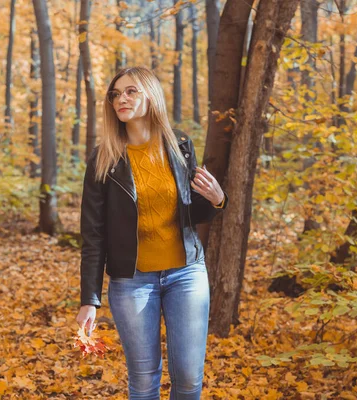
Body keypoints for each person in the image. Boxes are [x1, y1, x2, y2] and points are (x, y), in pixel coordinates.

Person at [76, 66, 228, 400]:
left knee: (188, 378)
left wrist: (218, 201)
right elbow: (93, 234)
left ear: (151, 96)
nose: (121, 99)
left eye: (131, 91)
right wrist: (90, 298)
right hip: (132, 281)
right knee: (144, 380)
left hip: (186, 273)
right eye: (116, 94)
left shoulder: (180, 147)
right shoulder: (104, 160)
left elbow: (193, 214)